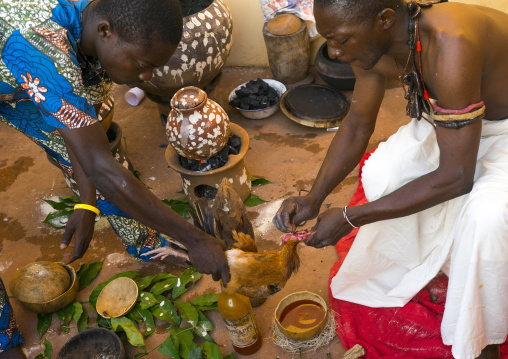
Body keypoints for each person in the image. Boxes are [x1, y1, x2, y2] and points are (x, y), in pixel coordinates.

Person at [273, 1, 508, 358]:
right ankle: (430, 260)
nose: (333, 51)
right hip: (455, 123)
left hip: (502, 127)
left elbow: (456, 177)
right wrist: (314, 197)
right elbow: (356, 125)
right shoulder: (367, 40)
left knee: (485, 219)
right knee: (386, 171)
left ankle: (482, 338)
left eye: (340, 40)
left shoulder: (449, 43)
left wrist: (352, 217)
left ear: (384, 20)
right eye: (329, 39)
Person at [0, 0, 230, 283]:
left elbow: (83, 141)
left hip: (22, 70)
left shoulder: (97, 37)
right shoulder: (42, 46)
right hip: (18, 55)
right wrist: (196, 241)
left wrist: (87, 204)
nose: (147, 77)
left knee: (93, 154)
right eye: (143, 65)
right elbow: (99, 167)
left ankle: (145, 244)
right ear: (105, 31)